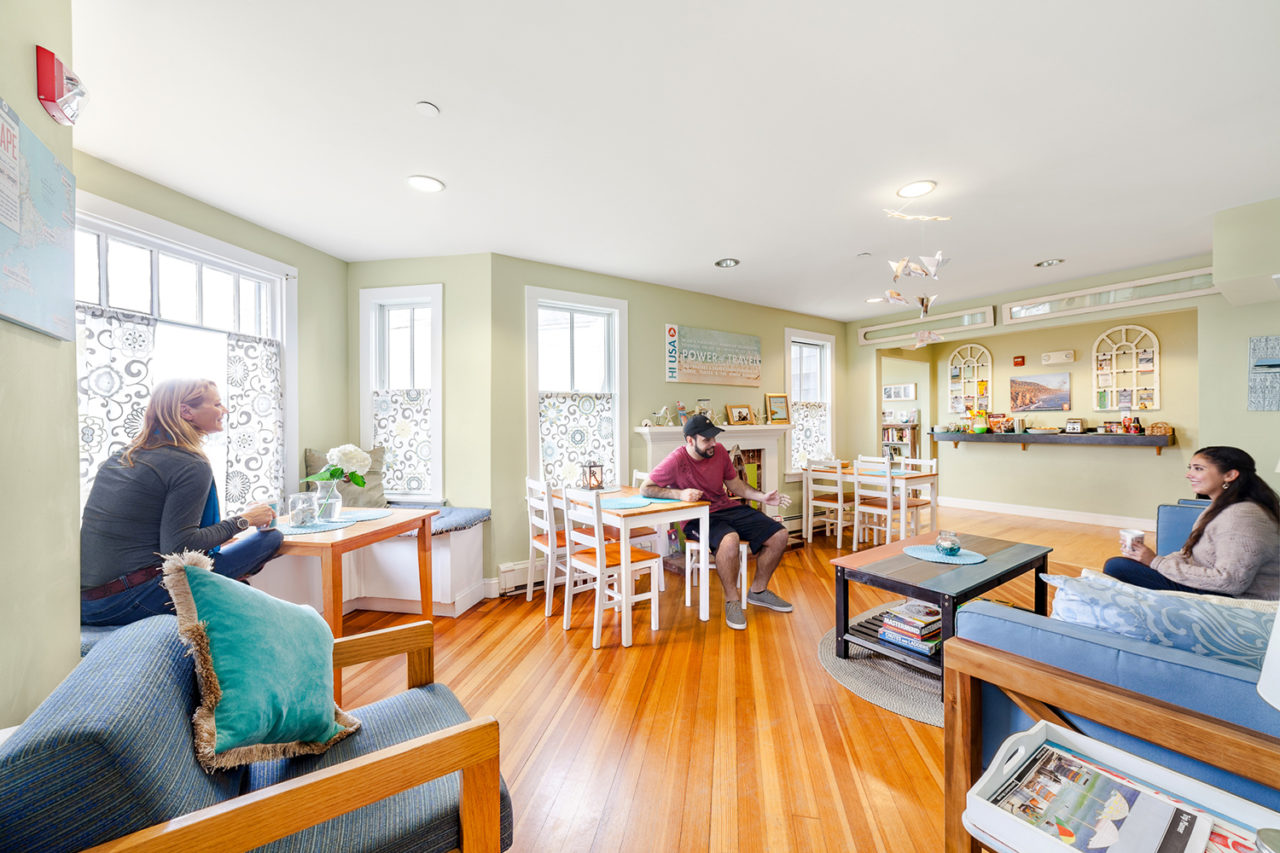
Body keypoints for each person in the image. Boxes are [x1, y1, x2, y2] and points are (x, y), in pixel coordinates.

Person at [81, 378, 283, 625]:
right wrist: (245, 520)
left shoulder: (124, 455)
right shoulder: (190, 464)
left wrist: (221, 532)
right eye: (218, 404)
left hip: (87, 603)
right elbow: (178, 548)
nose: (225, 410)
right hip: (130, 599)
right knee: (270, 538)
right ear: (186, 411)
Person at [640, 414, 793, 629]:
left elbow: (735, 485)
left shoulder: (719, 452)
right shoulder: (676, 459)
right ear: (690, 441)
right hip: (697, 516)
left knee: (779, 535)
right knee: (729, 540)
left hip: (727, 508)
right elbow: (646, 488)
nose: (713, 443)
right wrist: (679, 494)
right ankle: (732, 601)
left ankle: (758, 590)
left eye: (714, 437)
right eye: (706, 439)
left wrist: (762, 497)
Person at [1103, 446, 1280, 600]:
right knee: (1125, 566)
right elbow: (1189, 555)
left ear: (1230, 475)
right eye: (1191, 468)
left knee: (1118, 567)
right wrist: (1149, 561)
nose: (1189, 475)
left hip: (1234, 597)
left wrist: (1155, 562)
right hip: (1213, 585)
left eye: (1198, 468)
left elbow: (1231, 582)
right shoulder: (1220, 507)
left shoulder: (1243, 516)